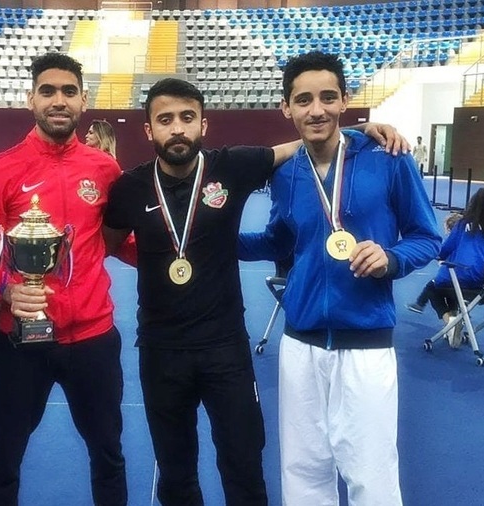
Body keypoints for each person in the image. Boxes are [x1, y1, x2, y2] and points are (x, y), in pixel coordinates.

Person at [96, 77, 407, 505]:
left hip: (225, 348)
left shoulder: (233, 166)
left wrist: (360, 130)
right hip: (160, 349)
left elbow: (304, 141)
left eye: (187, 117)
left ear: (203, 124)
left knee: (243, 464)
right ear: (149, 129)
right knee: (175, 469)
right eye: (165, 120)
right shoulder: (130, 188)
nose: (178, 129)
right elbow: (108, 243)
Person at [238, 52, 440, 506]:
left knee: (371, 472)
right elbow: (278, 240)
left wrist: (391, 257)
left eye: (328, 97)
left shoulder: (388, 157)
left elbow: (428, 237)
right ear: (286, 107)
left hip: (366, 341)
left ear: (345, 100)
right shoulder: (286, 173)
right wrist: (217, 241)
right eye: (304, 100)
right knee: (303, 470)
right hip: (301, 341)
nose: (317, 110)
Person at [0, 52, 128, 506]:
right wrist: (7, 289)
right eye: (48, 91)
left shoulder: (104, 169)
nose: (59, 100)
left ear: (84, 101)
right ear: (31, 99)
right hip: (19, 340)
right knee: (4, 457)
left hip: (93, 337)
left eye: (69, 91)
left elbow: (121, 240)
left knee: (109, 454)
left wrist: (179, 256)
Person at [408, 188, 484, 348]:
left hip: (462, 274)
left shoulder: (463, 224)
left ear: (473, 204)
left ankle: (450, 322)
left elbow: (447, 248)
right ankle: (455, 321)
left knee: (435, 287)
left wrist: (438, 256)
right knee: (451, 284)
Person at [406, 211, 463, 314]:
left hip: (455, 275)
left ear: (449, 229)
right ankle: (455, 312)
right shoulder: (467, 242)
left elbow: (442, 253)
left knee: (431, 286)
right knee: (451, 293)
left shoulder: (453, 240)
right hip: (464, 276)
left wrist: (435, 255)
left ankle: (420, 304)